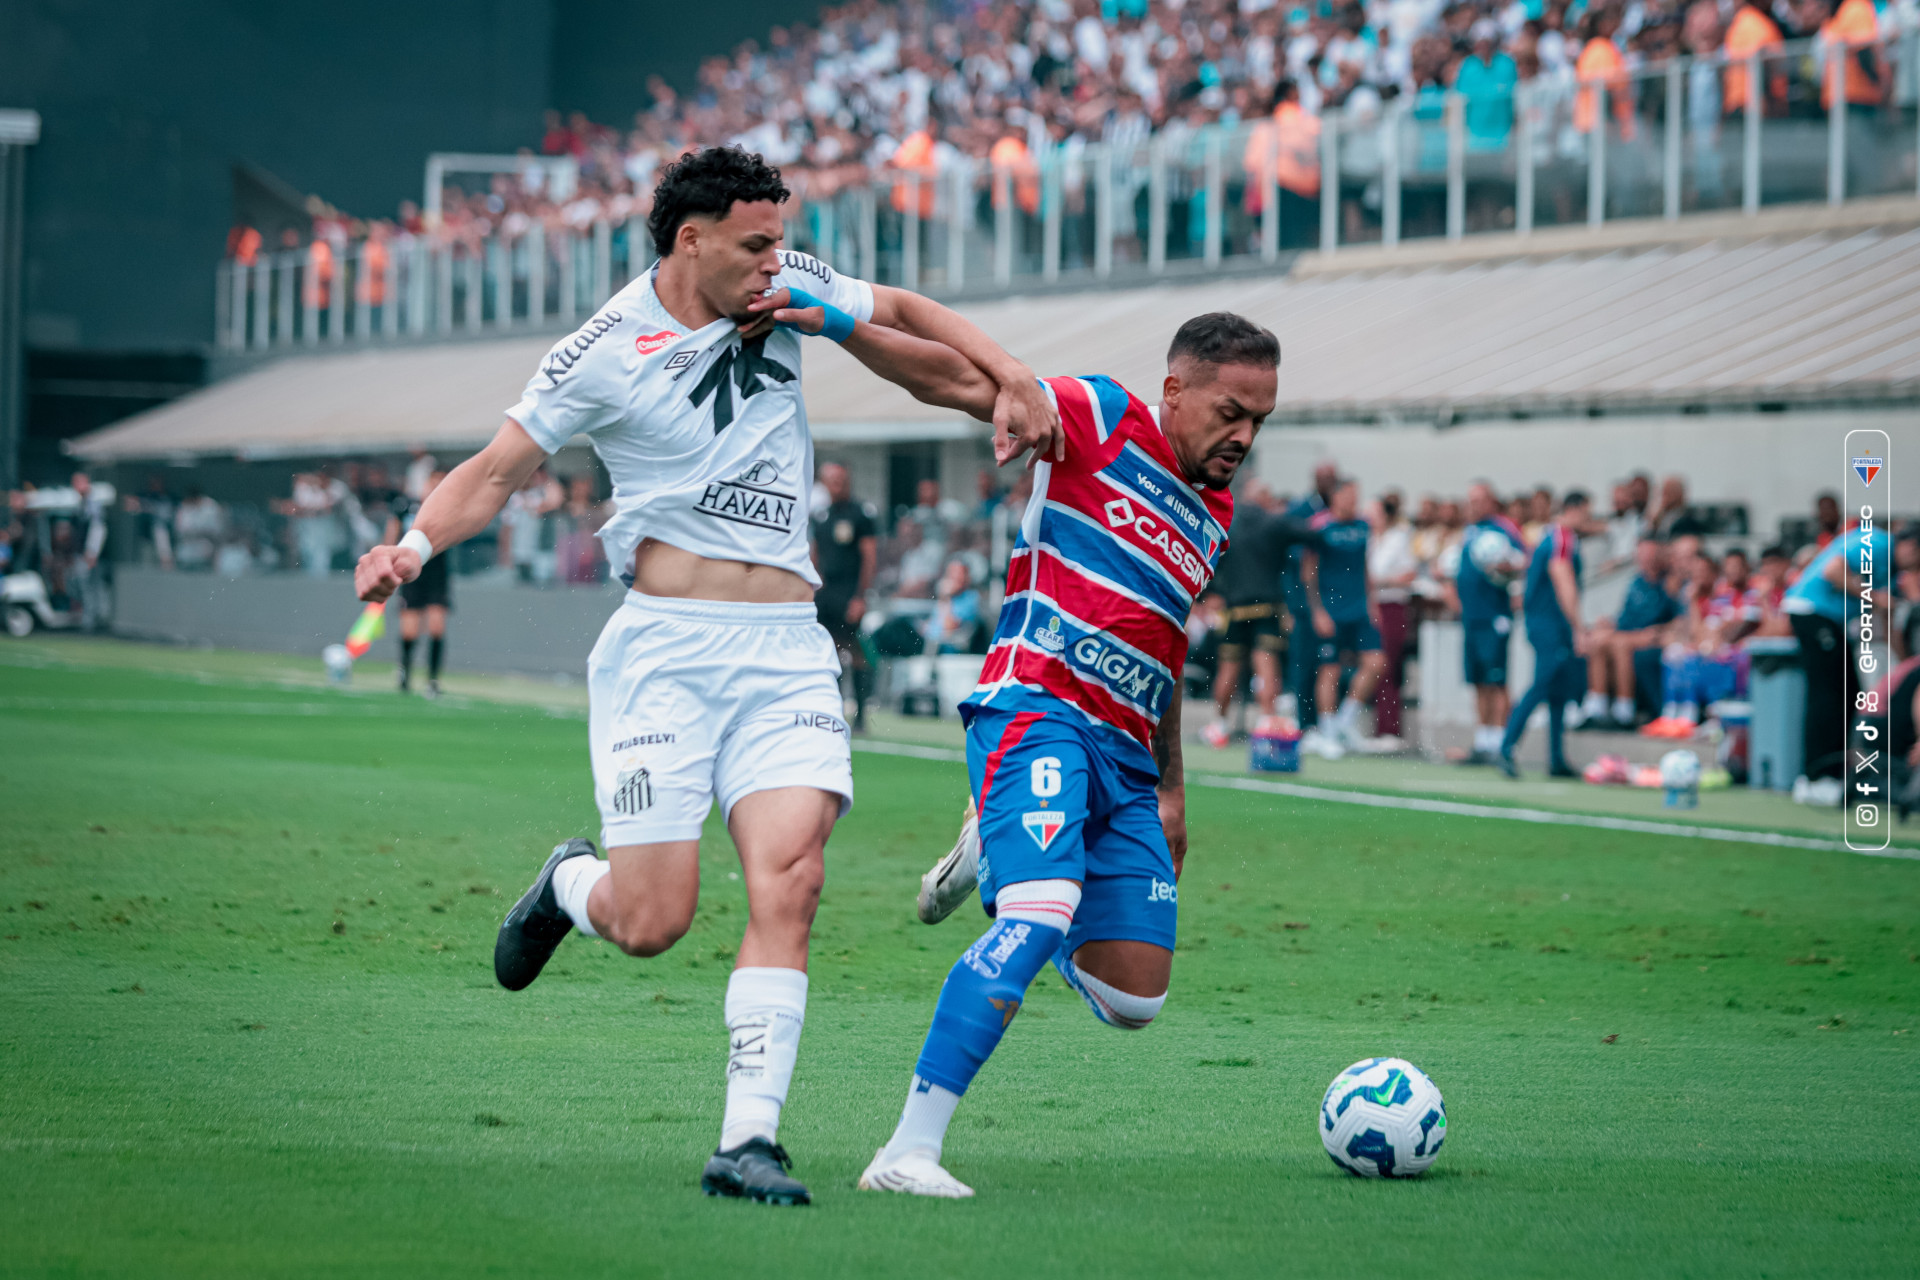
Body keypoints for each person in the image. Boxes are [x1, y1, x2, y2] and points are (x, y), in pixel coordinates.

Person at [353, 145, 1059, 1207]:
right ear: (693, 241)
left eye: (784, 239)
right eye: (758, 242)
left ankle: (749, 1141)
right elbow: (497, 470)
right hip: (665, 656)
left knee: (795, 877)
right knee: (653, 919)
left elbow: (906, 313)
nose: (782, 259)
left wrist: (1013, 381)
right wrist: (411, 547)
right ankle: (566, 883)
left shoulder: (788, 288)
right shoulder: (603, 346)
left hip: (784, 651)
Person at [849, 312, 1276, 1200]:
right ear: (1176, 391)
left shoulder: (1215, 511)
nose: (1244, 436)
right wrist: (837, 313)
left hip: (1125, 762)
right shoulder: (1100, 415)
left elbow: (1164, 647)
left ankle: (998, 850)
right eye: (1232, 411)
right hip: (1033, 707)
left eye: (1260, 421)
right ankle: (906, 1151)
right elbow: (951, 379)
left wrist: (1173, 791)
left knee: (1135, 1000)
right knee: (1041, 914)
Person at [1783, 516, 1889, 801]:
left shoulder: (1890, 564)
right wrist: (1874, 597)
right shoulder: (1880, 542)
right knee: (1828, 696)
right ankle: (1817, 778)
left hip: (1829, 621)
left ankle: (1834, 772)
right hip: (1814, 614)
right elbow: (1833, 571)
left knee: (1849, 693)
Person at [1499, 491, 1593, 780]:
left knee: (1557, 693)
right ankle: (1506, 747)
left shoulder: (1551, 536)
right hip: (1550, 624)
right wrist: (1579, 627)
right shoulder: (1563, 538)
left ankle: (1555, 758)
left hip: (1549, 622)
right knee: (1542, 685)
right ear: (1575, 510)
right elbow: (1563, 580)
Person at [1301, 479, 1386, 756]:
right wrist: (1317, 611)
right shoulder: (1319, 526)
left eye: (1356, 496)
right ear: (1335, 497)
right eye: (1348, 496)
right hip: (1331, 610)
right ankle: (1327, 731)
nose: (1353, 501)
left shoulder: (1363, 526)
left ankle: (1344, 723)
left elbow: (1364, 567)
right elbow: (1308, 572)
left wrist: (1371, 604)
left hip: (1359, 608)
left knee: (1376, 662)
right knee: (1330, 670)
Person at [1455, 482, 1529, 765]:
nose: (1473, 505)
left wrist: (1509, 568)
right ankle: (1483, 742)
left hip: (1494, 616)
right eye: (1470, 499)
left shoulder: (1503, 528)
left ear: (1492, 501)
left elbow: (1524, 560)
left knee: (1497, 680)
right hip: (1472, 616)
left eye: (1479, 500)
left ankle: (1501, 742)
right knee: (1478, 681)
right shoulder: (1470, 531)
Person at [1580, 537, 1682, 729]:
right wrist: (1608, 624)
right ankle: (1597, 705)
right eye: (1641, 554)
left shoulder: (1669, 583)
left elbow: (1679, 620)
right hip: (1628, 634)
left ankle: (1624, 708)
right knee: (1598, 640)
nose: (1644, 559)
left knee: (1619, 644)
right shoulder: (1636, 583)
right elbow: (1625, 618)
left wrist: (1661, 631)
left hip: (1652, 637)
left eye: (1649, 554)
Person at [810, 462, 878, 730]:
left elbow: (869, 557)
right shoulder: (820, 515)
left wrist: (861, 596)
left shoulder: (861, 514)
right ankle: (834, 709)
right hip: (826, 594)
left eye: (840, 479)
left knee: (854, 650)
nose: (836, 485)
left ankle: (861, 715)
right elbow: (816, 553)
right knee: (830, 651)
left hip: (850, 593)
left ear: (847, 480)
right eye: (831, 480)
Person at [385, 470, 452, 697]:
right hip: (412, 573)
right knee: (410, 630)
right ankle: (404, 674)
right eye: (433, 482)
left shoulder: (449, 509)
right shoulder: (407, 506)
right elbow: (392, 533)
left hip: (437, 574)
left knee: (436, 626)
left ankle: (433, 680)